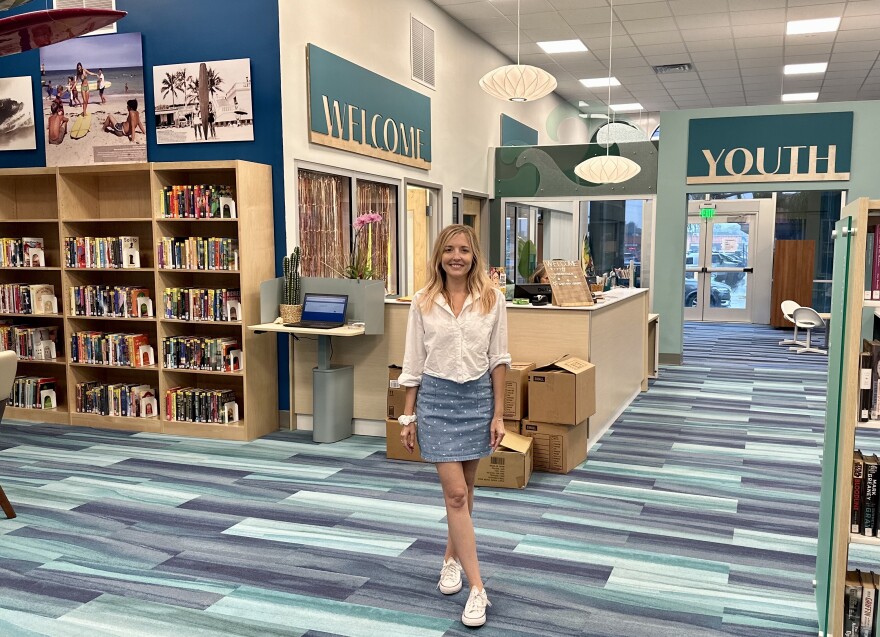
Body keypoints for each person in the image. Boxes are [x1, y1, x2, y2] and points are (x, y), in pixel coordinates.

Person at [398, 224, 510, 628]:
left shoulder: (492, 299)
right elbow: (413, 364)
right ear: (439, 256)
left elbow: (499, 360)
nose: (456, 256)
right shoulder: (422, 302)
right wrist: (408, 417)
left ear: (474, 254)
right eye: (449, 250)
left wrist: (498, 414)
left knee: (465, 492)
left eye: (464, 249)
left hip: (477, 401)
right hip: (437, 403)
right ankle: (478, 588)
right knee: (457, 495)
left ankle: (450, 560)